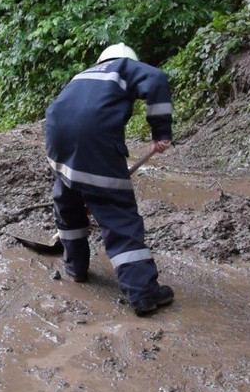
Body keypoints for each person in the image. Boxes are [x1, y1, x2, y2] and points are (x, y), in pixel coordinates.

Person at [44, 42, 175, 316]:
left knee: (67, 200)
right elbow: (157, 78)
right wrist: (161, 132)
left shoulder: (83, 76)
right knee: (117, 214)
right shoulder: (124, 66)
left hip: (56, 139)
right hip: (92, 140)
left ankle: (75, 267)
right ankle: (143, 292)